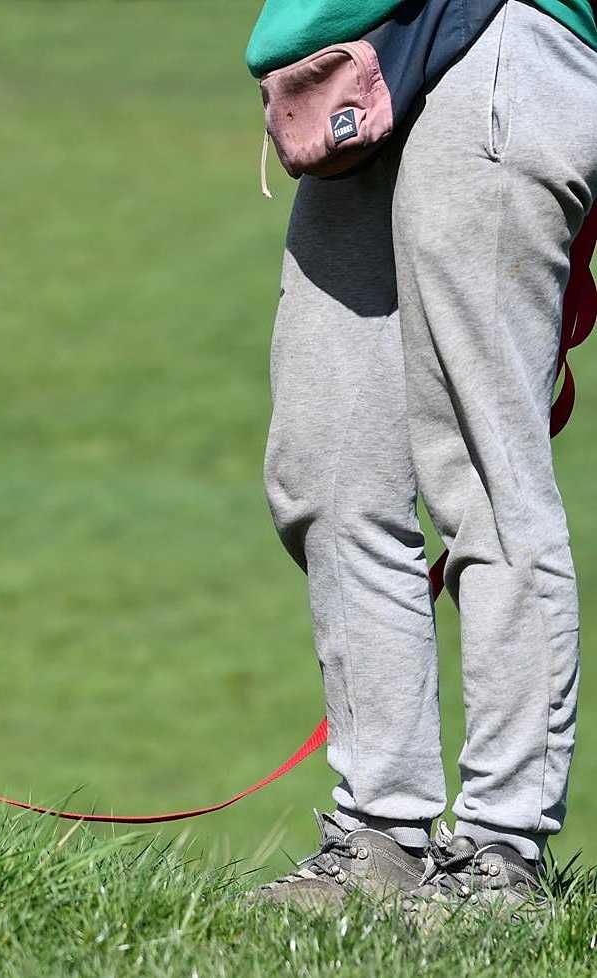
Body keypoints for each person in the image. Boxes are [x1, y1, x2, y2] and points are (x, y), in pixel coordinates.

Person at [249, 0, 597, 908]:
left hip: (503, 41)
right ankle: (379, 841)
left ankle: (500, 854)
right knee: (324, 471)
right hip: (359, 56)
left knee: (484, 476)